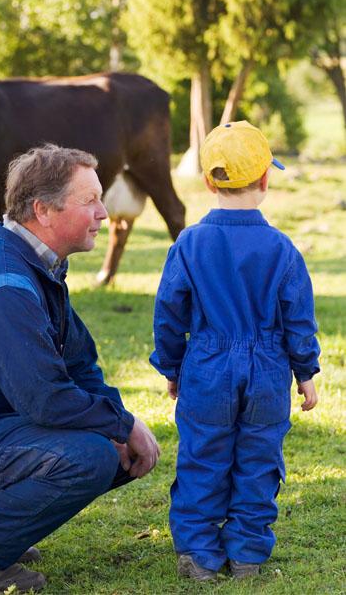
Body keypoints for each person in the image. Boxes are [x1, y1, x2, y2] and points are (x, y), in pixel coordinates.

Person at [0, 144, 160, 593]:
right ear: (43, 210)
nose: (103, 213)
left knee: (111, 449)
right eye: (90, 200)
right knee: (92, 457)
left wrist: (118, 424)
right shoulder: (6, 282)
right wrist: (121, 424)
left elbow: (79, 364)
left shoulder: (37, 265)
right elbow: (44, 398)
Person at [150, 121, 320, 582]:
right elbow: (297, 317)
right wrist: (305, 371)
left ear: (208, 181)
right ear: (265, 180)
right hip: (267, 368)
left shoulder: (188, 244)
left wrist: (170, 365)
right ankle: (246, 553)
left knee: (203, 455)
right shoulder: (282, 249)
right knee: (259, 459)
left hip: (206, 364)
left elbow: (169, 311)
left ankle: (199, 555)